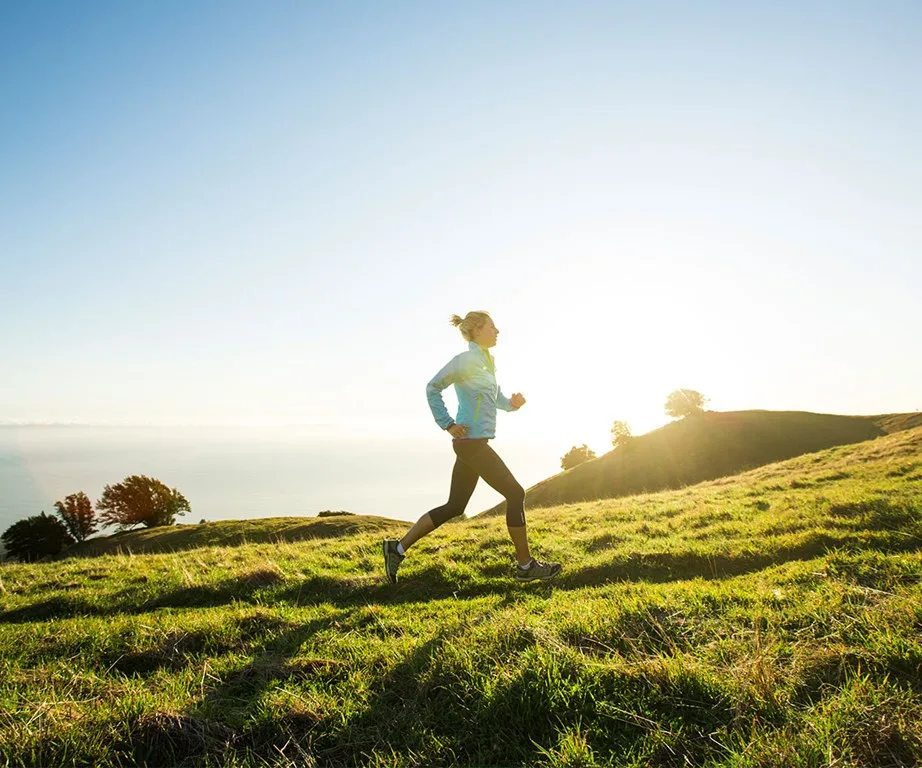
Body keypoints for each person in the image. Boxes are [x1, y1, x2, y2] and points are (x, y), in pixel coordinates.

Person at [383, 311, 562, 584]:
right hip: (470, 444)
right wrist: (448, 424)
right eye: (492, 326)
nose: (497, 330)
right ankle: (525, 566)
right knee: (515, 493)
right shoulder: (464, 361)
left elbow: (495, 400)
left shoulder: (488, 362)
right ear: (477, 330)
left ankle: (397, 548)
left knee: (455, 506)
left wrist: (511, 404)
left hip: (474, 443)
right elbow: (432, 388)